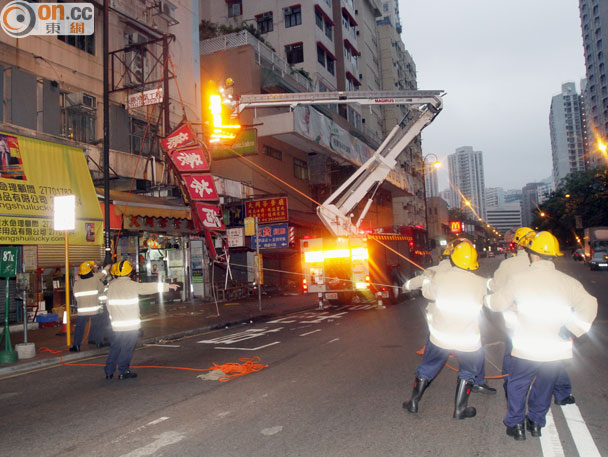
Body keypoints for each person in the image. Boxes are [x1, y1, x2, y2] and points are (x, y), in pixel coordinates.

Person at [484, 232, 597, 441]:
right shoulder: (568, 282)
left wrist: (487, 300)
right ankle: (536, 423)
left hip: (526, 347)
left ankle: (516, 425)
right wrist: (572, 329)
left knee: (517, 384)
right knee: (544, 386)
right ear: (552, 256)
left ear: (532, 255)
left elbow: (497, 303)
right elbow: (590, 304)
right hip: (555, 349)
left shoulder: (519, 279)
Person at [489, 227, 576, 405]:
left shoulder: (509, 265)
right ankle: (562, 393)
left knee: (512, 355)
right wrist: (575, 329)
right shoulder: (547, 263)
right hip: (548, 319)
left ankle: (511, 387)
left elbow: (496, 289)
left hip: (517, 322)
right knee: (552, 357)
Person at [403, 241, 488, 419]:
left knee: (428, 366)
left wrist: (427, 278)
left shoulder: (439, 278)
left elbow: (427, 293)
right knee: (467, 371)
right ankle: (460, 410)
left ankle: (413, 401)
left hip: (440, 336)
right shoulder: (480, 283)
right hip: (467, 339)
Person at [104, 260, 179, 380]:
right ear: (129, 273)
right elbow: (147, 287)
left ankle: (109, 371)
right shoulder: (132, 285)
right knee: (127, 349)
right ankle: (123, 371)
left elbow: (107, 305)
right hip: (130, 326)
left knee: (115, 348)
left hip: (116, 325)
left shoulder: (111, 286)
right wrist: (168, 286)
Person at [70, 261, 105, 352]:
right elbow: (101, 289)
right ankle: (99, 343)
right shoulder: (95, 280)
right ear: (90, 271)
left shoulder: (77, 283)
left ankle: (76, 346)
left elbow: (75, 295)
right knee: (97, 326)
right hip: (94, 309)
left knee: (79, 328)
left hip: (82, 310)